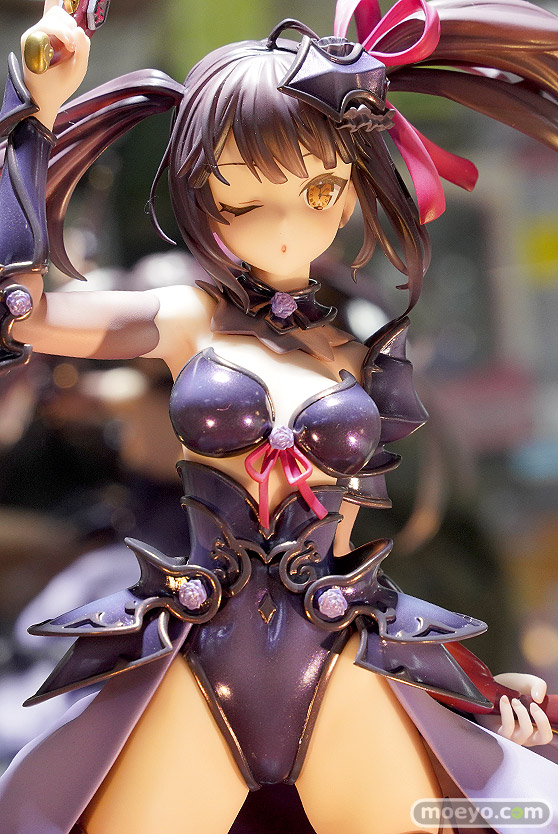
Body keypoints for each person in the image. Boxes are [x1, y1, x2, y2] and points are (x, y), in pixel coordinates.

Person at [1, 0, 558, 832]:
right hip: (201, 657)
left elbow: (354, 556)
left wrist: (470, 690)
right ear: (201, 190)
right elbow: (22, 309)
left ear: (350, 190)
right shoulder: (187, 318)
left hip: (337, 661)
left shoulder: (359, 355)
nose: (289, 222)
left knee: (490, 809)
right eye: (245, 195)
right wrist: (36, 113)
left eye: (319, 189)